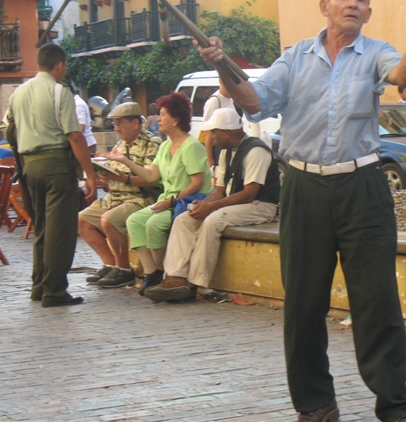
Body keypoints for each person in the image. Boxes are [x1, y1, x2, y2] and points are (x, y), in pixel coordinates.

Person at [198, 0, 406, 422]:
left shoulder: (375, 54)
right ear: (324, 7)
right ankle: (315, 401)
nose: (353, 3)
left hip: (363, 188)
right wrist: (222, 65)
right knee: (302, 302)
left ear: (368, 11)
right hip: (302, 187)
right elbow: (254, 100)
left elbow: (404, 73)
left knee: (377, 301)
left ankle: (397, 410)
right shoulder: (294, 58)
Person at [144, 107, 280, 302]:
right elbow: (219, 190)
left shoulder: (256, 151)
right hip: (235, 204)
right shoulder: (225, 152)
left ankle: (198, 283)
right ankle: (175, 278)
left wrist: (211, 208)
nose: (211, 137)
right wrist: (203, 204)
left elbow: (249, 193)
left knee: (212, 221)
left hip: (261, 206)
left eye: (214, 132)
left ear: (225, 132)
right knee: (184, 219)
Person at [6, 43, 96, 307]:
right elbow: (75, 136)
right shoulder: (60, 92)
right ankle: (55, 291)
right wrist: (89, 174)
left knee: (42, 228)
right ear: (60, 65)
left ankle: (39, 285)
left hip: (30, 166)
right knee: (61, 231)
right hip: (57, 164)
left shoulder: (18, 93)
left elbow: (10, 131)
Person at [108, 92, 212, 296]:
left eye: (163, 114)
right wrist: (125, 162)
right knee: (134, 220)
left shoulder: (191, 146)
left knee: (154, 225)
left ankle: (167, 274)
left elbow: (197, 183)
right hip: (167, 200)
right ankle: (152, 272)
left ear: (176, 120)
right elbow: (150, 175)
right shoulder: (165, 146)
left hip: (185, 202)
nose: (158, 119)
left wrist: (171, 201)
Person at [78, 102, 162, 289]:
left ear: (135, 123)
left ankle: (124, 269)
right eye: (114, 124)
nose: (116, 129)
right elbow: (116, 174)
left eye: (120, 123)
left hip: (140, 198)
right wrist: (104, 174)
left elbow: (153, 179)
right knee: (83, 220)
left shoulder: (152, 143)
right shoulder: (120, 145)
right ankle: (111, 264)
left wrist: (124, 179)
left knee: (109, 220)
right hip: (116, 197)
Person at [202, 79, 236, 168]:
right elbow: (207, 132)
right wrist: (209, 159)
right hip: (218, 147)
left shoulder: (231, 99)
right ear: (221, 83)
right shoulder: (214, 101)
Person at [72, 84, 97, 156]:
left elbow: (81, 127)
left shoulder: (78, 105)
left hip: (86, 144)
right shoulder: (75, 103)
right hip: (84, 144)